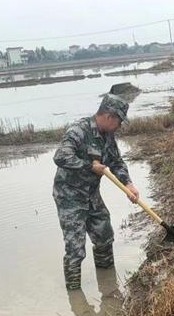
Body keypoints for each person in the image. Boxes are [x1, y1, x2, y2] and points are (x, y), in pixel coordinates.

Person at [52, 92, 139, 291]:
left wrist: (128, 184)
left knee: (104, 235)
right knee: (75, 249)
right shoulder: (78, 131)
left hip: (91, 195)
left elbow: (116, 161)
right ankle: (76, 299)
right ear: (109, 116)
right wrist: (89, 166)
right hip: (69, 197)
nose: (120, 126)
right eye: (119, 121)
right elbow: (60, 157)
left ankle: (108, 288)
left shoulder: (108, 136)